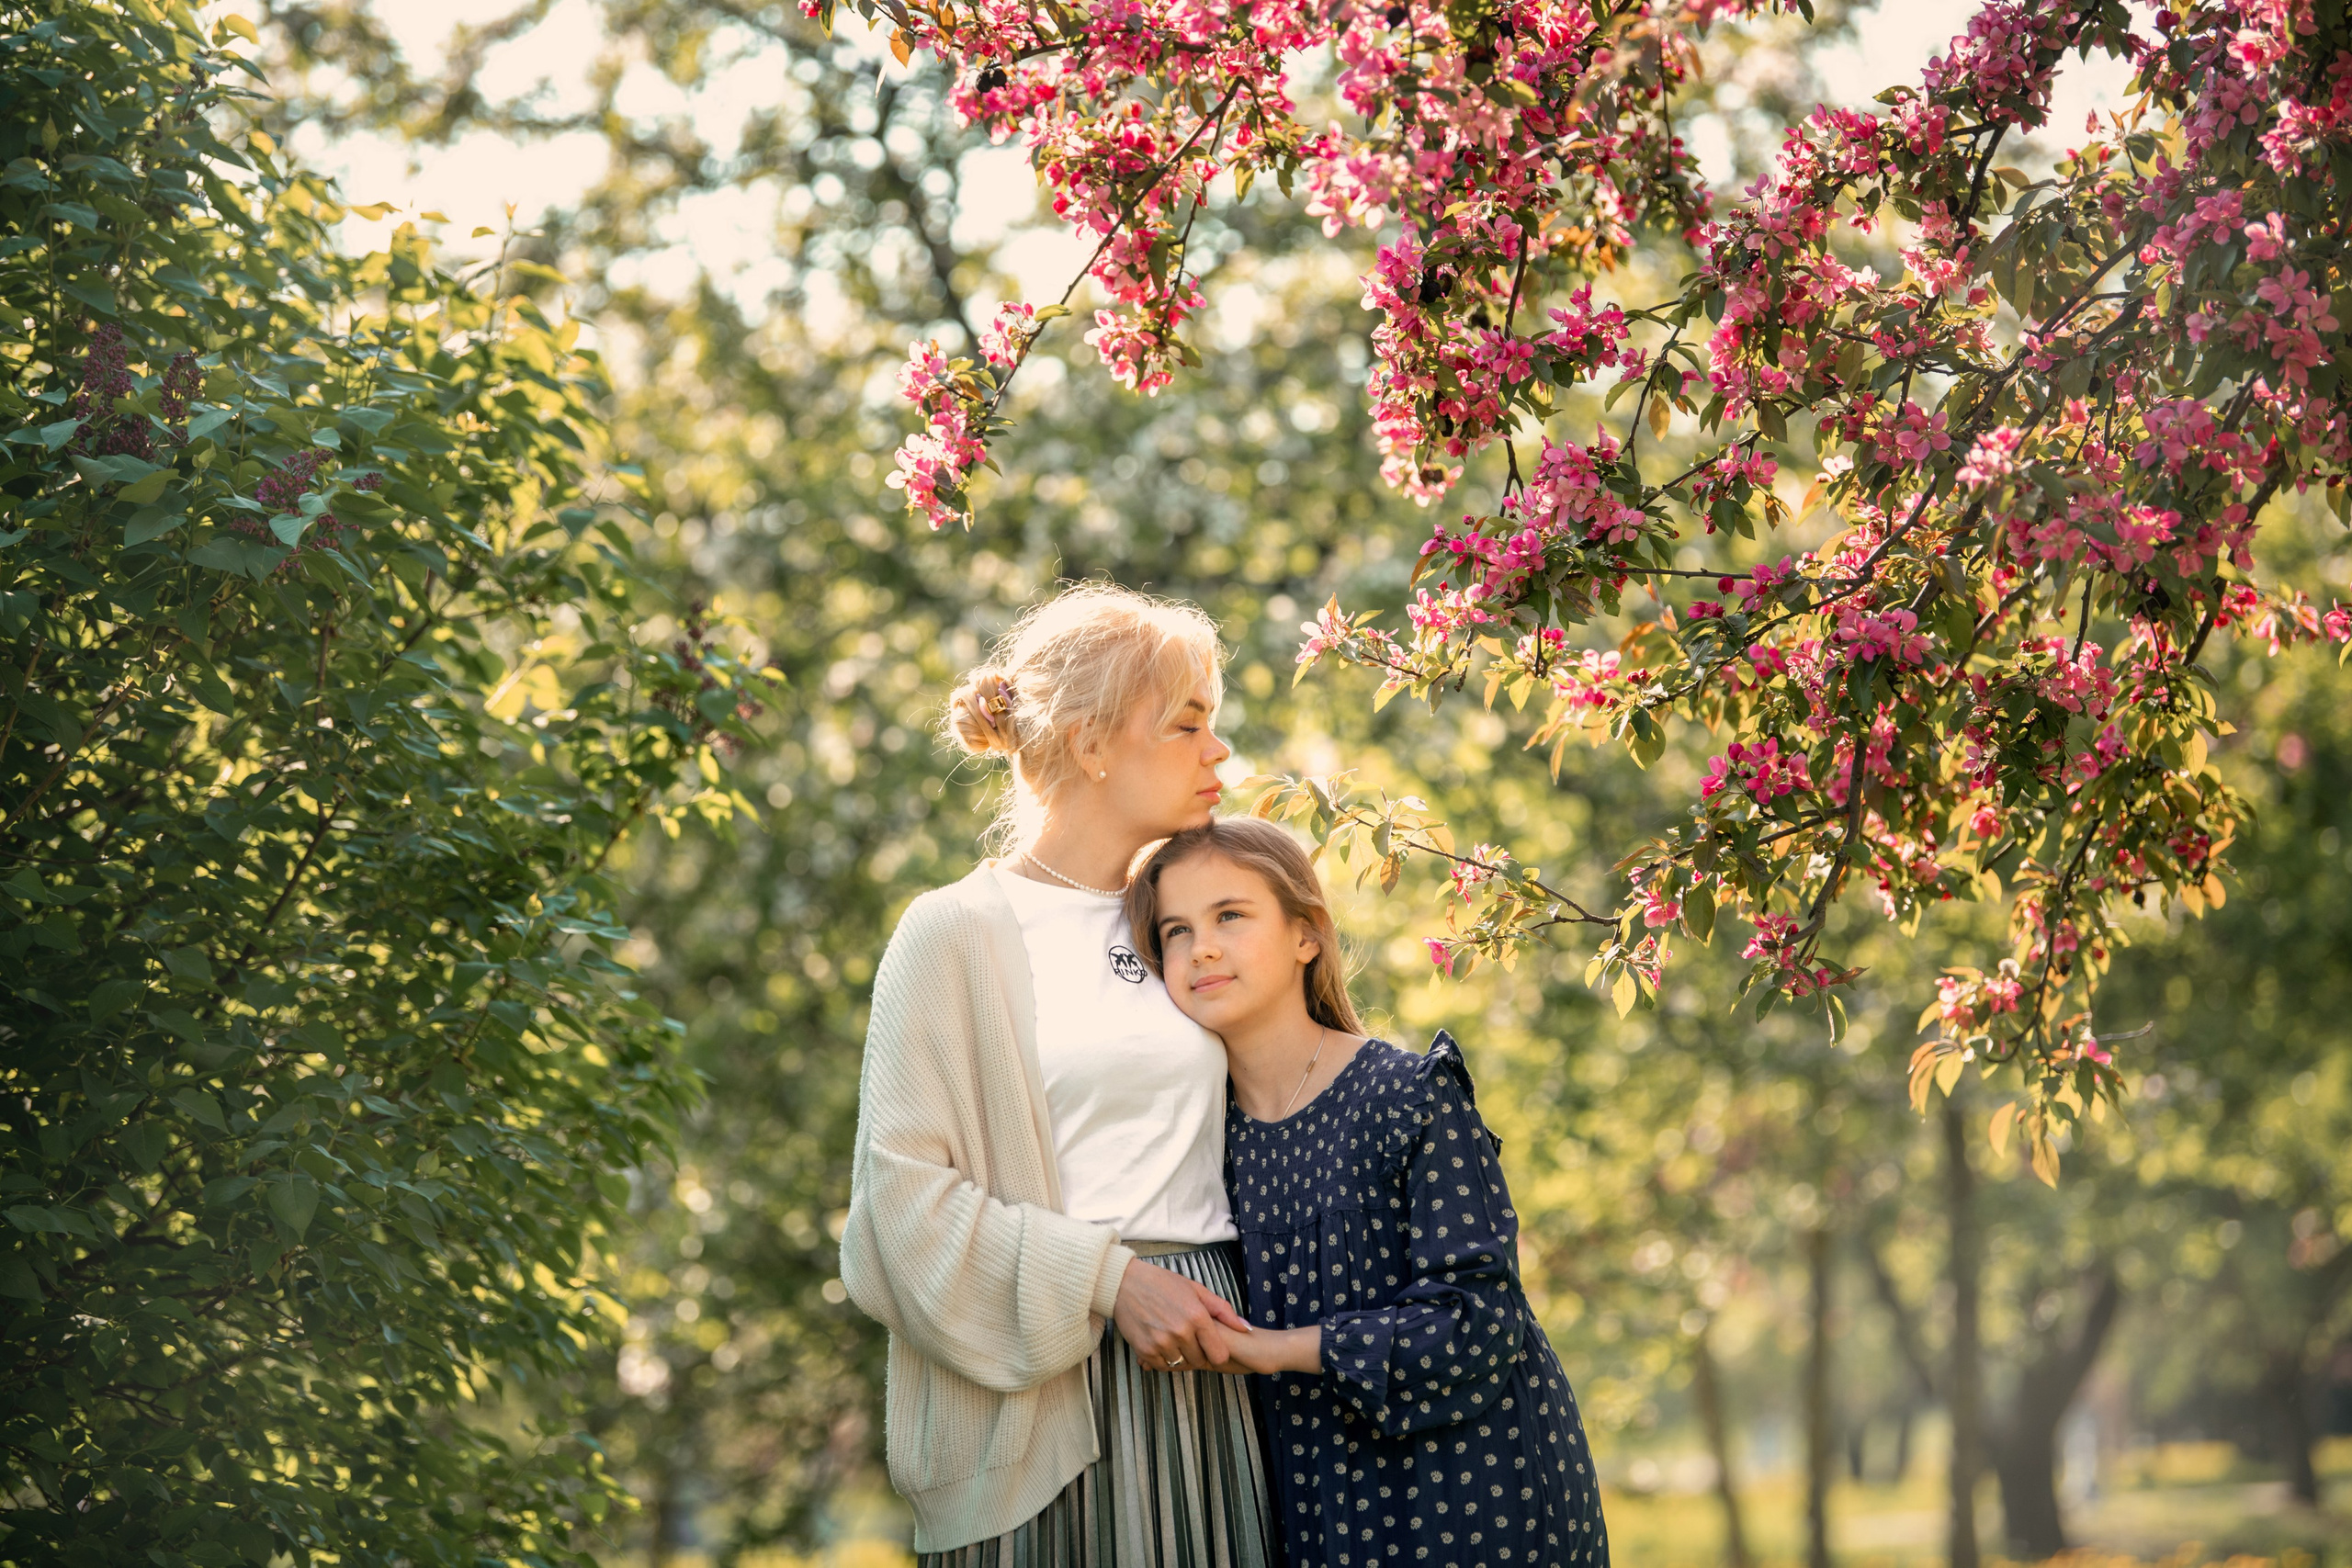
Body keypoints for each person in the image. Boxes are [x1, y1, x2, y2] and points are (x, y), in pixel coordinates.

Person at [838, 583, 1278, 1567]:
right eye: (1187, 725)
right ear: (1090, 746)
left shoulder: (1190, 924)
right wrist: (1112, 1281)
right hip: (1037, 1414)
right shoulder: (952, 933)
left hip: (1210, 1375)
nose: (1218, 753)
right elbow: (895, 1213)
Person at [1125, 817, 1611, 1568]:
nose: (1203, 948)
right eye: (1177, 931)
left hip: (1473, 1487)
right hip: (1323, 1504)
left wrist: (1274, 1350)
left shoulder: (1408, 1096)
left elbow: (1478, 1321)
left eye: (1230, 915)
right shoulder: (1201, 1139)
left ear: (1306, 935)